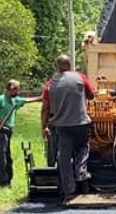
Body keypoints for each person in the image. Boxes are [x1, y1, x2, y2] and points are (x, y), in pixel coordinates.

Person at [41, 55, 95, 202]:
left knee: (63, 157)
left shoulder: (50, 84)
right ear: (70, 65)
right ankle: (80, 171)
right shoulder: (80, 77)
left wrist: (44, 127)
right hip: (80, 123)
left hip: (62, 126)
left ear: (57, 66)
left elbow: (45, 108)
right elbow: (91, 95)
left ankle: (69, 191)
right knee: (83, 146)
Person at [0, 79, 42, 187]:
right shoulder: (0, 100)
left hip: (9, 131)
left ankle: (8, 180)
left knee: (8, 157)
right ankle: (1, 182)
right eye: (17, 90)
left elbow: (28, 100)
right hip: (1, 131)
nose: (18, 92)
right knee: (2, 157)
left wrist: (41, 98)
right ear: (11, 89)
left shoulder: (15, 100)